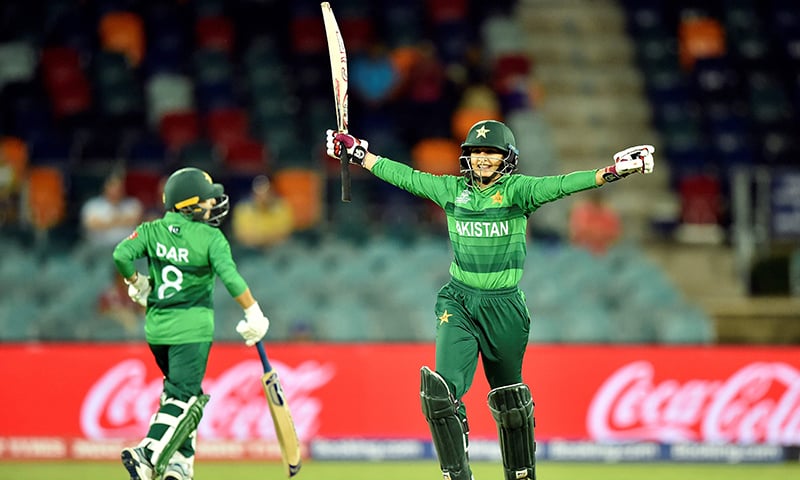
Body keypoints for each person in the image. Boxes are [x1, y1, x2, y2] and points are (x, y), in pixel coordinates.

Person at [325, 121, 655, 480]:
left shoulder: (519, 191)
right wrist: (360, 154)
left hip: (505, 306)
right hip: (459, 301)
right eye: (476, 152)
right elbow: (405, 176)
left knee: (510, 401)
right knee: (439, 394)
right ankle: (457, 474)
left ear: (506, 158)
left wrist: (612, 172)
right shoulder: (450, 189)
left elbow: (561, 185)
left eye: (491, 153)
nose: (483, 159)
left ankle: (521, 473)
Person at [113, 167, 271, 480]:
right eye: (207, 200)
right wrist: (253, 311)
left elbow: (121, 254)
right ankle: (147, 453)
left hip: (157, 328)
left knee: (180, 393)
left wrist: (136, 281)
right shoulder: (211, 237)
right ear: (190, 204)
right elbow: (231, 278)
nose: (213, 205)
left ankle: (180, 465)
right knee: (185, 399)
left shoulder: (150, 230)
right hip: (192, 329)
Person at [81, 171, 143, 253]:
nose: (115, 191)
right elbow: (91, 225)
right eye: (112, 187)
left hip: (128, 247)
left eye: (118, 188)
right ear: (105, 188)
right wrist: (122, 220)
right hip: (98, 247)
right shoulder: (92, 205)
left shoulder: (133, 204)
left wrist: (106, 222)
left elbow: (136, 220)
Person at [231, 175, 293, 251]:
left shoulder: (281, 207)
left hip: (276, 248)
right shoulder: (243, 208)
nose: (263, 196)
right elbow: (242, 235)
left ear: (271, 191)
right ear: (253, 193)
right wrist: (265, 238)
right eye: (259, 192)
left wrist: (262, 238)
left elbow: (284, 233)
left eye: (266, 192)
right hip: (250, 249)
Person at [568, 189, 622, 255]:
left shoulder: (608, 214)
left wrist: (599, 235)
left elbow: (615, 234)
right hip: (583, 250)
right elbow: (576, 233)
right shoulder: (581, 213)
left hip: (604, 251)